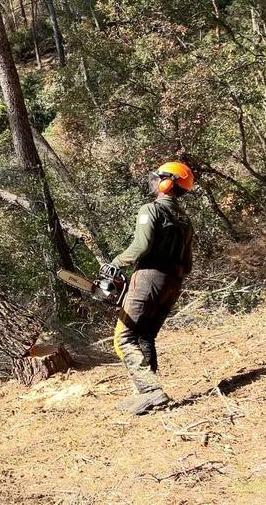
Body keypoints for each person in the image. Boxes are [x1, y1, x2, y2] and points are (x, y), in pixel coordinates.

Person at [101, 161, 196, 415]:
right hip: (174, 282)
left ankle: (150, 391)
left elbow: (141, 247)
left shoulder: (151, 209)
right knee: (145, 336)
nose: (153, 182)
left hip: (149, 278)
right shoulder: (185, 220)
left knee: (123, 338)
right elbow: (187, 263)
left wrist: (116, 263)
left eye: (158, 179)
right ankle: (144, 394)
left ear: (167, 184)